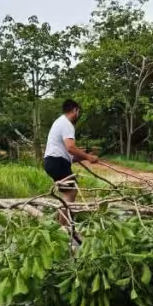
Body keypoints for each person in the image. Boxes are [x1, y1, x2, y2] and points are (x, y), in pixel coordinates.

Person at [43, 99, 98, 232]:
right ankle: (63, 229)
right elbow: (70, 148)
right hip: (57, 162)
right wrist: (88, 156)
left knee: (67, 193)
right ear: (75, 110)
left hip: (53, 161)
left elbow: (69, 155)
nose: (78, 115)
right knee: (70, 193)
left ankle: (59, 225)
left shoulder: (59, 121)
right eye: (79, 112)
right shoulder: (67, 124)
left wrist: (85, 157)